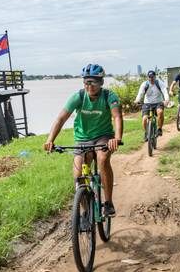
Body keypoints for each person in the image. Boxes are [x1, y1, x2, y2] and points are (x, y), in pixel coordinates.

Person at [43, 64, 123, 216]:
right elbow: (60, 118)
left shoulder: (109, 96)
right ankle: (86, 212)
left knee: (103, 159)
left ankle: (108, 202)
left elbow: (117, 117)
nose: (89, 85)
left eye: (93, 82)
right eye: (86, 82)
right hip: (82, 139)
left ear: (101, 82)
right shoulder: (78, 97)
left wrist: (117, 138)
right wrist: (50, 140)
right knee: (78, 176)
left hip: (103, 136)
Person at [134, 70, 169, 140]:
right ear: (148, 77)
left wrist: (166, 100)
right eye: (149, 77)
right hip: (147, 103)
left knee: (160, 112)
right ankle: (146, 133)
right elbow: (140, 93)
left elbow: (165, 91)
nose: (151, 79)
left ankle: (159, 129)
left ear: (155, 77)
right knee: (144, 119)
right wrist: (137, 100)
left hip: (158, 102)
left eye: (152, 77)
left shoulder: (159, 83)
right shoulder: (145, 84)